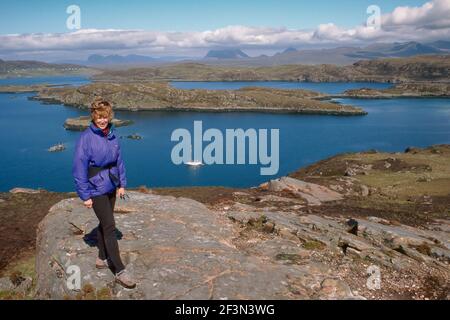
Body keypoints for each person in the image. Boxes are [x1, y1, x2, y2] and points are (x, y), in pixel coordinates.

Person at [72, 98, 136, 289]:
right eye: (99, 117)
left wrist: (121, 184)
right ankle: (119, 270)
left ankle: (101, 257)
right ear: (93, 116)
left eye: (105, 116)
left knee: (104, 223)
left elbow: (119, 161)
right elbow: (78, 169)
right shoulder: (86, 138)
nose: (102, 120)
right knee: (110, 226)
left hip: (111, 185)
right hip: (95, 188)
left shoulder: (112, 135)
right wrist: (85, 196)